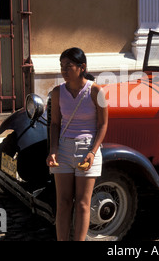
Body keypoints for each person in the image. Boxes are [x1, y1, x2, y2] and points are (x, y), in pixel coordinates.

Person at [46, 47, 108, 241]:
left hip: (88, 150)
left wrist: (93, 152)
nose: (64, 70)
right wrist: (53, 150)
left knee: (82, 203)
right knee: (63, 203)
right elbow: (55, 124)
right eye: (61, 66)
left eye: (68, 66)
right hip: (63, 149)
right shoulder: (57, 92)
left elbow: (103, 124)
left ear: (82, 67)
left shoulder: (96, 91)